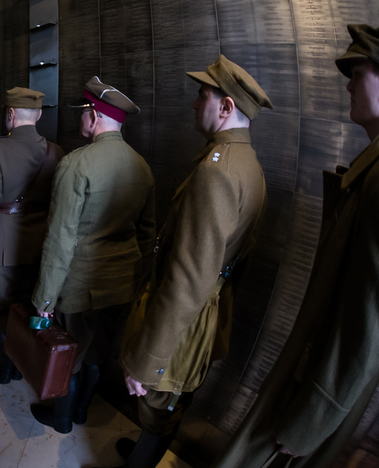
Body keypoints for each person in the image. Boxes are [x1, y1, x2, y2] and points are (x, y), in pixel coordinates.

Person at [212, 25, 379, 468]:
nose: (348, 83)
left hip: (317, 391)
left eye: (358, 72)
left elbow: (369, 318)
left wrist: (312, 418)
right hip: (316, 378)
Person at [116, 55, 272, 468]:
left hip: (184, 317)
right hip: (205, 312)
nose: (192, 103)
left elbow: (187, 278)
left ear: (225, 107)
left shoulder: (217, 172)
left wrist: (146, 360)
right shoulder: (249, 167)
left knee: (159, 403)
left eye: (201, 94)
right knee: (171, 402)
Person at [30, 77, 155, 434]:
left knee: (73, 354)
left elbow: (60, 238)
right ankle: (82, 410)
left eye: (82, 113)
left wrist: (45, 297)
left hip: (80, 285)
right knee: (101, 352)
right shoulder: (141, 167)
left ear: (94, 115)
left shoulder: (76, 164)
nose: (79, 120)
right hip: (123, 284)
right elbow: (147, 235)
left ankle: (62, 418)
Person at [0, 87, 64, 384]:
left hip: (2, 245)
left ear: (10, 114)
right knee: (32, 303)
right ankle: (29, 362)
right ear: (38, 115)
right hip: (40, 245)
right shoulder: (56, 151)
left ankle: (5, 366)